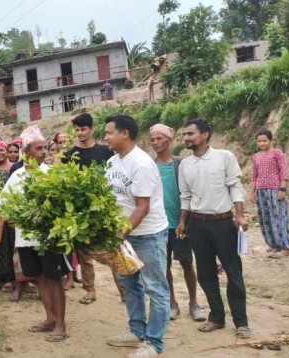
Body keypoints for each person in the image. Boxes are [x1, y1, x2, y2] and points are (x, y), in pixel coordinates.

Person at [0, 126, 70, 342]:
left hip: (49, 239)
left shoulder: (52, 175)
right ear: (27, 152)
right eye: (38, 148)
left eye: (44, 148)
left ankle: (61, 324)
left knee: (54, 279)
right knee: (38, 277)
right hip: (26, 238)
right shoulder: (17, 176)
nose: (43, 152)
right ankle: (50, 318)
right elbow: (4, 204)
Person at [177, 118, 251, 339]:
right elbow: (185, 196)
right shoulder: (185, 165)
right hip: (197, 225)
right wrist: (183, 221)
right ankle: (216, 317)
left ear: (205, 134)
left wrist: (239, 214)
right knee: (206, 274)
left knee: (233, 273)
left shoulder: (224, 157)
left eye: (190, 134)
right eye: (184, 135)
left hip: (222, 223)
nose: (186, 138)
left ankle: (241, 322)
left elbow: (235, 186)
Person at [104, 115, 170, 358]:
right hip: (124, 235)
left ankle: (154, 343)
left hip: (147, 235)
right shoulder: (112, 163)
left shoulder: (141, 163)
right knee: (130, 284)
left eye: (109, 132)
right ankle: (136, 331)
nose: (106, 137)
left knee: (155, 288)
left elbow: (143, 207)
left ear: (125, 134)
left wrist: (119, 235)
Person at [62, 113, 121, 305]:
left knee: (113, 250)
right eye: (77, 130)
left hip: (104, 207)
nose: (80, 133)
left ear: (92, 129)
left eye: (83, 129)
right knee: (84, 254)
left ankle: (123, 290)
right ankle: (90, 290)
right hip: (80, 210)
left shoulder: (106, 152)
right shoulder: (69, 155)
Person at [149, 124, 205, 322]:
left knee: (187, 263)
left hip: (180, 224)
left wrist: (185, 220)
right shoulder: (149, 166)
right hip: (158, 226)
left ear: (169, 141)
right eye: (153, 139)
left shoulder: (181, 164)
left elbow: (189, 194)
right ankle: (172, 303)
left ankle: (194, 303)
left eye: (159, 139)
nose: (155, 143)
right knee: (164, 267)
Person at [249, 130, 289, 258]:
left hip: (275, 190)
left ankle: (284, 247)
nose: (262, 143)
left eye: (264, 140)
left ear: (271, 141)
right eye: (259, 141)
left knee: (278, 218)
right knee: (265, 219)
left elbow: (284, 172)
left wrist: (282, 189)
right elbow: (255, 176)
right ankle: (273, 245)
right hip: (261, 191)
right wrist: (252, 192)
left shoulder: (277, 153)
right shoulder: (256, 156)